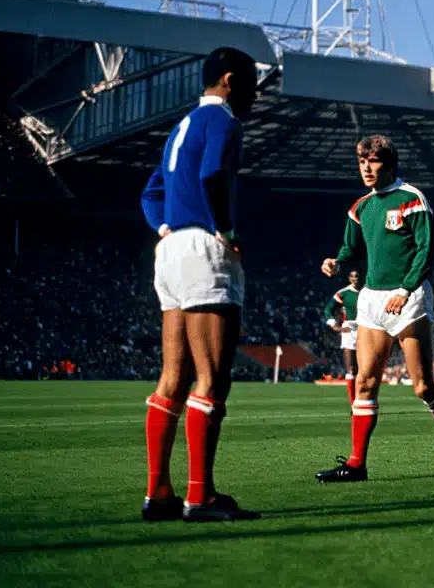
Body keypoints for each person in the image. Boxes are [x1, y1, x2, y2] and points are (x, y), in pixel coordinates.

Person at [138, 46, 261, 523]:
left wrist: (165, 226)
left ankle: (159, 493)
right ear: (229, 80)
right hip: (203, 251)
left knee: (173, 376)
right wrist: (226, 233)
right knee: (212, 377)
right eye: (250, 82)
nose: (253, 92)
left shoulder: (178, 129)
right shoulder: (224, 122)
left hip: (169, 253)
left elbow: (151, 192)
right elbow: (212, 174)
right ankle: (199, 496)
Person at [315, 135, 434, 482]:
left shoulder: (411, 199)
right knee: (365, 383)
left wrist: (406, 288)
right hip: (372, 299)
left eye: (372, 161)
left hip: (410, 297)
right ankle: (356, 464)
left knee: (423, 388)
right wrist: (336, 262)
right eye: (361, 162)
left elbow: (425, 252)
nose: (366, 168)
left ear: (389, 164)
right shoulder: (360, 207)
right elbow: (350, 247)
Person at [324, 270, 362, 405]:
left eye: (358, 275)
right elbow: (328, 310)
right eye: (352, 276)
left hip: (366, 329)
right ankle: (354, 404)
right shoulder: (343, 293)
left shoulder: (368, 292)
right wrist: (334, 325)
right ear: (349, 278)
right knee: (351, 368)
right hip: (350, 329)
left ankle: (363, 400)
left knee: (364, 369)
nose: (355, 278)